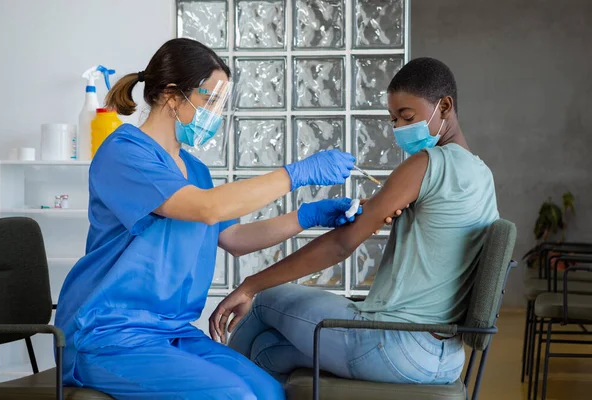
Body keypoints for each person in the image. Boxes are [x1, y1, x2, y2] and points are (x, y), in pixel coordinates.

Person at [55, 38, 390, 400]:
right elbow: (205, 208)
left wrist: (310, 215)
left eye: (220, 103)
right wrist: (296, 174)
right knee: (233, 397)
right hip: (108, 333)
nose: (215, 114)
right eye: (208, 101)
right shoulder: (124, 153)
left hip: (172, 332)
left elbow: (234, 238)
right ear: (171, 95)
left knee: (270, 392)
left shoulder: (195, 170)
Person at [211, 57, 500, 385]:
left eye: (408, 117)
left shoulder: (425, 163)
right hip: (443, 356)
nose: (401, 130)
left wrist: (249, 286)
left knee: (262, 302)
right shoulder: (481, 175)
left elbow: (341, 244)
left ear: (445, 106)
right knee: (267, 351)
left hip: (393, 343)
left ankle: (216, 390)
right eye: (394, 121)